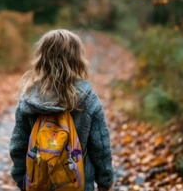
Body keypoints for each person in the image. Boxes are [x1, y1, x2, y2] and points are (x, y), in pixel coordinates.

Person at [9, 29, 114, 191]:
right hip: (78, 183)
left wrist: (21, 178)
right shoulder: (88, 98)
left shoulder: (29, 97)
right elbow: (100, 145)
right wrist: (105, 181)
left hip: (38, 182)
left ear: (41, 58)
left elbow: (18, 145)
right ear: (77, 59)